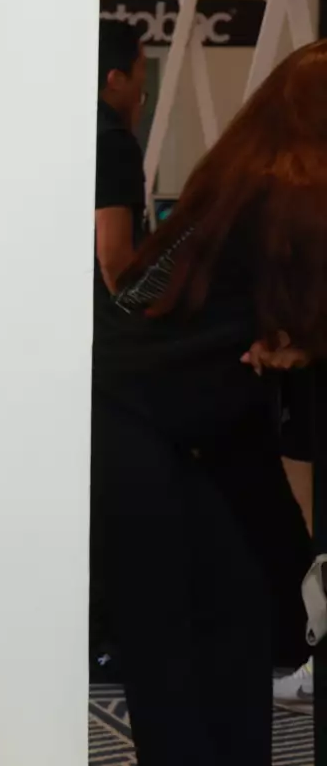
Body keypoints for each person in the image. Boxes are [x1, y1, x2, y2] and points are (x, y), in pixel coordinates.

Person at [91, 38, 327, 765]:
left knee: (220, 625)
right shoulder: (288, 195)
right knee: (189, 641)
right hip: (144, 434)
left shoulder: (230, 182)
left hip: (144, 420)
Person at [95, 18, 149, 293]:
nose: (143, 81)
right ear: (116, 79)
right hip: (105, 323)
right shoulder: (113, 141)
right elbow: (114, 259)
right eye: (141, 68)